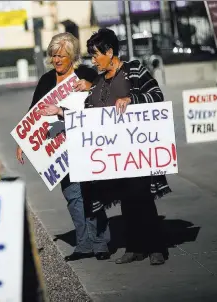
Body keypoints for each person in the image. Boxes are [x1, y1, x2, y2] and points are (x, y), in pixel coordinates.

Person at [38, 28, 172, 265]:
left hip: (137, 151)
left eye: (96, 55)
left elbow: (156, 95)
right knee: (127, 202)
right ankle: (135, 248)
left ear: (110, 52)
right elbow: (87, 116)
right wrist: (61, 112)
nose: (93, 60)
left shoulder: (133, 70)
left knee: (142, 199)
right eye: (91, 56)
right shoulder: (99, 83)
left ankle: (156, 247)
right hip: (114, 157)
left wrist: (132, 100)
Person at [16, 32, 111, 261]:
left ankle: (101, 243)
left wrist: (89, 86)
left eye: (61, 56)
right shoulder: (47, 81)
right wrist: (22, 142)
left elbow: (103, 98)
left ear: (73, 57)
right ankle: (83, 244)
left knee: (90, 193)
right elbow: (33, 113)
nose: (56, 60)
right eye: (53, 55)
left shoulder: (87, 74)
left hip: (84, 144)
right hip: (58, 151)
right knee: (72, 196)